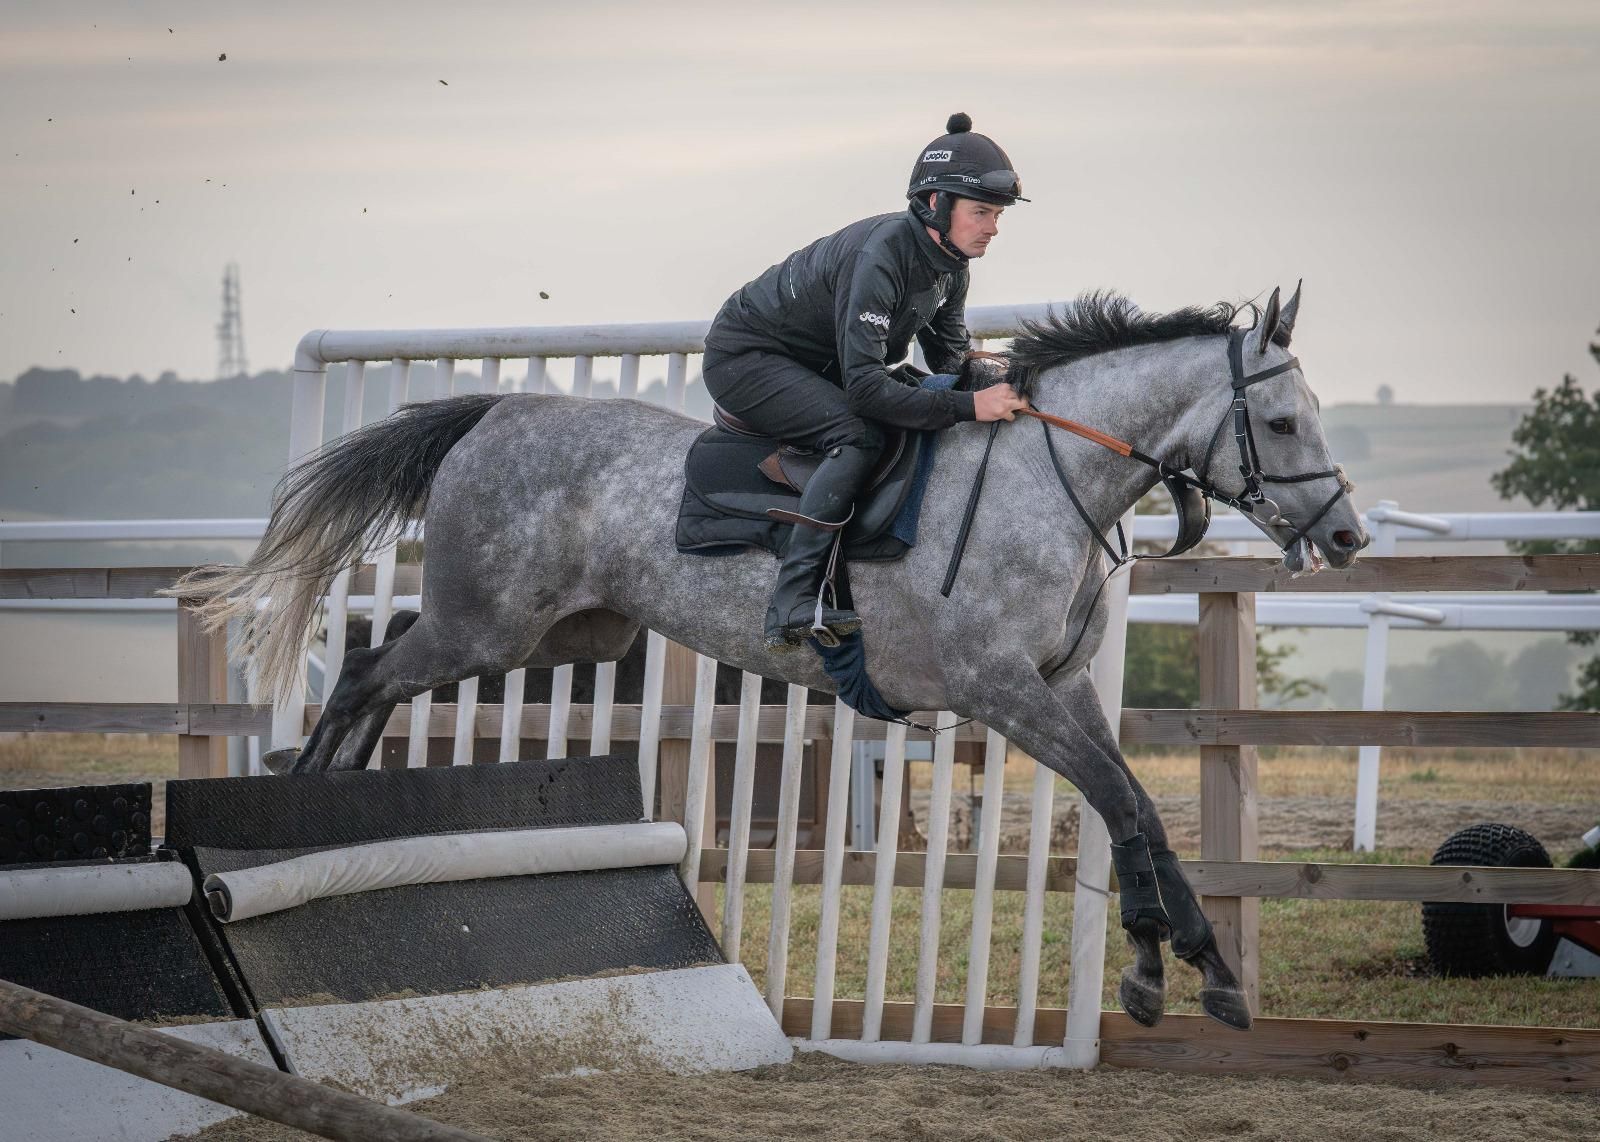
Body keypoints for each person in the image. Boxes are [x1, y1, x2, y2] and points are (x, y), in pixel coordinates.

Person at [702, 113, 1032, 652]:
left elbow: (950, 360)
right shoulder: (880, 254)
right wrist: (972, 406)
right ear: (934, 205)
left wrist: (1009, 382)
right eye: (981, 212)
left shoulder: (951, 265)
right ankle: (794, 599)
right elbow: (866, 391)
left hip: (819, 363)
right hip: (749, 356)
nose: (993, 227)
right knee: (860, 432)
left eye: (996, 215)